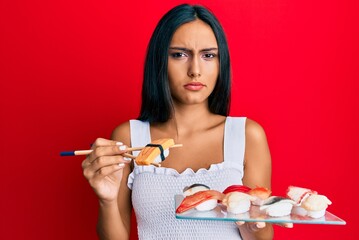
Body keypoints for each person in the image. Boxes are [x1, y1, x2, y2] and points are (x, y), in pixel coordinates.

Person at [82, 4, 291, 240]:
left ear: (221, 63)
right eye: (179, 55)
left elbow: (260, 235)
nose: (195, 70)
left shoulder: (246, 135)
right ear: (160, 60)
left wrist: (253, 226)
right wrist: (106, 200)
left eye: (208, 55)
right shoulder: (129, 138)